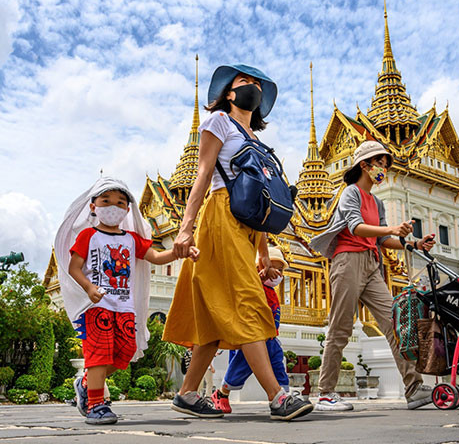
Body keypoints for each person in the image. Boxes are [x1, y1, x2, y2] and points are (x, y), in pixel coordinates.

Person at [163, 64, 313, 421]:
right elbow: (202, 173)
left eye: (257, 85)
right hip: (219, 218)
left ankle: (187, 394)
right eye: (245, 83)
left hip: (247, 228)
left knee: (216, 315)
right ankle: (277, 397)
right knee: (247, 301)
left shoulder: (256, 140)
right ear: (228, 93)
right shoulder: (217, 123)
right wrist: (186, 227)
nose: (253, 89)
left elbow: (260, 203)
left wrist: (262, 252)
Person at [55, 178, 198, 425]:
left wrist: (177, 252)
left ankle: (87, 382)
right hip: (97, 306)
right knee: (99, 355)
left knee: (125, 353)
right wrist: (89, 288)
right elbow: (74, 267)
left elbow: (155, 255)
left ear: (127, 209)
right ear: (93, 207)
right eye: (106, 201)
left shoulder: (131, 239)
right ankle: (96, 405)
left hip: (124, 307)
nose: (113, 206)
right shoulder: (88, 236)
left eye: (120, 202)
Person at [310, 140, 436, 411]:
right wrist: (392, 228)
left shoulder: (377, 203)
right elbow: (356, 228)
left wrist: (412, 244)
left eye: (385, 164)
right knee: (340, 327)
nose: (383, 169)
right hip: (347, 261)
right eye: (380, 163)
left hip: (371, 264)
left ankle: (413, 388)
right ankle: (325, 393)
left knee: (396, 323)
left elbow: (380, 240)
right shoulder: (350, 194)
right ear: (364, 165)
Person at [211, 246, 290, 413]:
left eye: (280, 270)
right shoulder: (253, 285)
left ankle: (285, 396)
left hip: (271, 337)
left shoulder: (272, 291)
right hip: (251, 337)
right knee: (241, 366)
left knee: (278, 363)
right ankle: (222, 393)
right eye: (272, 268)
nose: (277, 273)